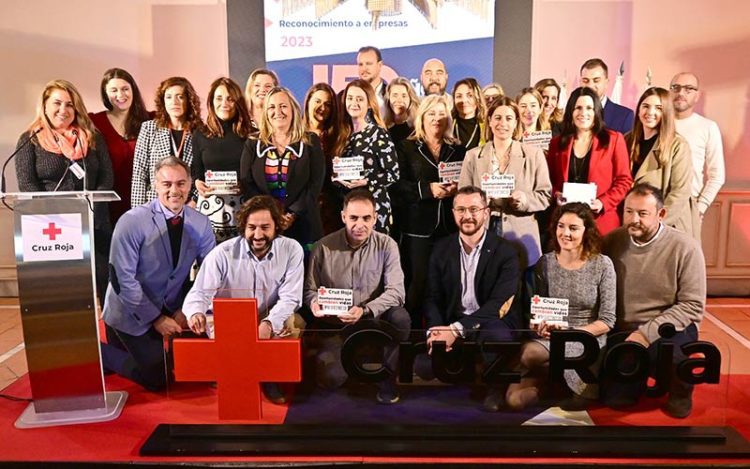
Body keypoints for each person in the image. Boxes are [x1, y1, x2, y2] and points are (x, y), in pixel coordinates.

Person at [101, 157, 215, 391]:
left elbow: (209, 273)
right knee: (158, 377)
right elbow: (122, 280)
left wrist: (188, 308)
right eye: (167, 184)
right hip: (130, 310)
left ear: (190, 184)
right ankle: (99, 352)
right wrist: (156, 318)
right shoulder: (131, 221)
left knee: (198, 365)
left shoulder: (201, 223)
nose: (175, 190)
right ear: (155, 185)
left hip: (173, 304)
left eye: (181, 183)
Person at [183, 195, 304, 403]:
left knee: (293, 324)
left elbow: (291, 297)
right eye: (252, 227)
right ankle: (231, 372)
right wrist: (195, 312)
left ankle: (268, 376)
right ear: (243, 227)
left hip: (269, 313)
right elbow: (200, 293)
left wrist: (269, 323)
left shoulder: (292, 249)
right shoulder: (221, 254)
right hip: (229, 318)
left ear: (277, 226)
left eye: (265, 227)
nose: (258, 234)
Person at [603, 183, 706, 418]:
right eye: (628, 211)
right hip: (623, 329)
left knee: (674, 356)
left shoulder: (685, 247)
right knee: (617, 400)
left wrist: (645, 334)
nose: (633, 219)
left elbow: (692, 306)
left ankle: (680, 390)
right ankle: (634, 375)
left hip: (669, 329)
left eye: (642, 213)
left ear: (661, 214)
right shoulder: (612, 242)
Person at [505, 203, 615, 411]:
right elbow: (537, 311)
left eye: (573, 228)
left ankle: (561, 382)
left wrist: (570, 333)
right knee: (515, 399)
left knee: (532, 357)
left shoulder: (603, 265)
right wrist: (539, 326)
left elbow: (607, 321)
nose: (565, 233)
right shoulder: (544, 263)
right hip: (552, 337)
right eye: (561, 226)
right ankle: (549, 384)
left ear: (587, 231)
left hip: (587, 337)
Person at [304, 189, 410, 404]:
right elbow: (309, 291)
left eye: (366, 218)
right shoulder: (323, 247)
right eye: (353, 218)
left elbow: (397, 292)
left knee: (401, 318)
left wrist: (365, 309)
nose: (359, 224)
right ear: (343, 216)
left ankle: (386, 379)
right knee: (331, 379)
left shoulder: (387, 245)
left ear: (375, 218)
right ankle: (352, 358)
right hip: (336, 325)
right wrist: (314, 303)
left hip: (374, 320)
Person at [423, 186, 521, 411]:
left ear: (486, 212)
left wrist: (456, 330)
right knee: (424, 367)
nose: (467, 216)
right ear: (453, 212)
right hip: (455, 317)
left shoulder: (506, 251)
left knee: (497, 335)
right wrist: (436, 330)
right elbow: (432, 297)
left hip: (491, 320)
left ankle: (494, 388)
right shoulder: (440, 248)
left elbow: (498, 305)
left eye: (474, 209)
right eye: (461, 209)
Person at [15, 79, 114, 300]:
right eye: (57, 103)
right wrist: (57, 213)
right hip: (53, 229)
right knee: (66, 290)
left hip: (94, 223)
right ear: (45, 106)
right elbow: (27, 183)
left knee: (104, 280)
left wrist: (90, 208)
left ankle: (109, 330)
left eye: (69, 104)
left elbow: (106, 177)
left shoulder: (92, 137)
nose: (63, 110)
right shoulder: (30, 140)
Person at [393, 95, 465, 327]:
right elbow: (396, 186)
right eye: (431, 114)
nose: (436, 119)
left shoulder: (458, 150)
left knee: (446, 286)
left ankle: (444, 340)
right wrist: (427, 190)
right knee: (417, 287)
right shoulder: (406, 147)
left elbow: (467, 183)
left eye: (441, 114)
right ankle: (412, 340)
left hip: (448, 228)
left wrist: (457, 190)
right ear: (421, 118)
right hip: (417, 231)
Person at [459, 96, 551, 268]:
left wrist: (524, 200)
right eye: (498, 118)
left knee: (521, 290)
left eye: (509, 118)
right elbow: (462, 196)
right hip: (483, 230)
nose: (503, 123)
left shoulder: (533, 154)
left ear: (516, 122)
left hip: (520, 233)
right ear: (490, 121)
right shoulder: (472, 156)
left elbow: (545, 195)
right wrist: (478, 203)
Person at [240, 87, 325, 253]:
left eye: (283, 106)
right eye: (272, 107)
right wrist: (271, 215)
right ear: (265, 112)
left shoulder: (310, 141)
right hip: (263, 227)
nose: (277, 111)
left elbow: (315, 184)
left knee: (306, 276)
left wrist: (291, 214)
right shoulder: (253, 143)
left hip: (304, 225)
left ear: (293, 109)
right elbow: (247, 182)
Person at [546, 86, 633, 235]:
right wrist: (556, 194)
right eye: (578, 108)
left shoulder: (613, 139)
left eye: (589, 108)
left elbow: (624, 181)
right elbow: (549, 181)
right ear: (570, 111)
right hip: (566, 224)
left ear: (596, 111)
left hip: (601, 223)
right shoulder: (557, 143)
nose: (583, 113)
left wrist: (603, 202)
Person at [332, 79, 399, 234]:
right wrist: (336, 178)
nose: (353, 103)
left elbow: (393, 174)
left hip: (374, 209)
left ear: (369, 103)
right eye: (350, 98)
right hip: (348, 210)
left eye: (359, 99)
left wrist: (366, 181)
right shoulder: (341, 134)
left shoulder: (378, 133)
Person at [626, 87, 694, 238]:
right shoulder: (627, 140)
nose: (650, 112)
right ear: (638, 110)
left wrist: (655, 224)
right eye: (645, 106)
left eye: (658, 108)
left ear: (666, 113)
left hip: (665, 226)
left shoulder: (678, 145)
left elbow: (679, 193)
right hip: (633, 223)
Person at [192, 77, 253, 242]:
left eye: (230, 99)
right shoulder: (200, 133)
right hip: (210, 210)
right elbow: (196, 170)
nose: (224, 103)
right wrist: (197, 182)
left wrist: (245, 185)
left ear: (238, 103)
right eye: (219, 98)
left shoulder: (251, 134)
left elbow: (257, 172)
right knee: (209, 262)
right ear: (211, 101)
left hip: (244, 208)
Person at [90, 68, 151, 224]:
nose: (120, 95)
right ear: (105, 94)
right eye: (113, 90)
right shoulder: (95, 122)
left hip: (144, 200)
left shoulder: (150, 120)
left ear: (133, 90)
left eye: (125, 89)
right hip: (108, 202)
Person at [670, 72, 726, 241]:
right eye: (676, 87)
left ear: (697, 96)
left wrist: (699, 207)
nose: (681, 93)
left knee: (686, 262)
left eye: (688, 89)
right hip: (655, 204)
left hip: (688, 205)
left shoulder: (707, 127)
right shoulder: (658, 123)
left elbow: (717, 176)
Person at [131, 76, 203, 207]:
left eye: (180, 97)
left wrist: (195, 201)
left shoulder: (200, 131)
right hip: (154, 204)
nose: (174, 102)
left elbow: (202, 173)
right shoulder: (149, 128)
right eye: (168, 97)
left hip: (188, 204)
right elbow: (139, 173)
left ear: (189, 100)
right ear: (163, 101)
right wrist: (138, 212)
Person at [302, 83, 340, 235]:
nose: (322, 107)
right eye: (317, 101)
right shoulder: (296, 135)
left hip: (331, 209)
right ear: (308, 102)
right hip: (302, 206)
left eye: (328, 104)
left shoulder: (337, 137)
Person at [580, 58, 634, 134]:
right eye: (585, 81)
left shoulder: (625, 116)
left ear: (606, 83)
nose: (590, 86)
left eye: (596, 81)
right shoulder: (572, 114)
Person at [452, 78, 486, 151]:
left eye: (470, 95)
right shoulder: (447, 124)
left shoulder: (487, 126)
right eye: (459, 96)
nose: (464, 100)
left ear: (478, 98)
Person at [383, 77, 419, 146]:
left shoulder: (417, 129)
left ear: (410, 99)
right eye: (395, 95)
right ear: (388, 98)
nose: (399, 100)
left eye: (404, 96)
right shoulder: (382, 130)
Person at [356, 46, 387, 117]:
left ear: (380, 65)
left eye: (368, 64)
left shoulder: (390, 95)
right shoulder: (347, 96)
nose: (364, 69)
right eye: (360, 64)